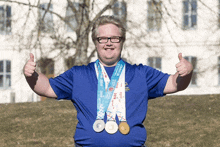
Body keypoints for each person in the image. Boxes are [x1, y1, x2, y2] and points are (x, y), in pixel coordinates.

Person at [23, 15, 193, 147]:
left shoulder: (141, 73)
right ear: (95, 43)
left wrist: (187, 72)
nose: (108, 43)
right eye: (102, 38)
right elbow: (47, 88)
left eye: (114, 38)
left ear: (122, 42)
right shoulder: (79, 74)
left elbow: (173, 83)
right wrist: (31, 76)